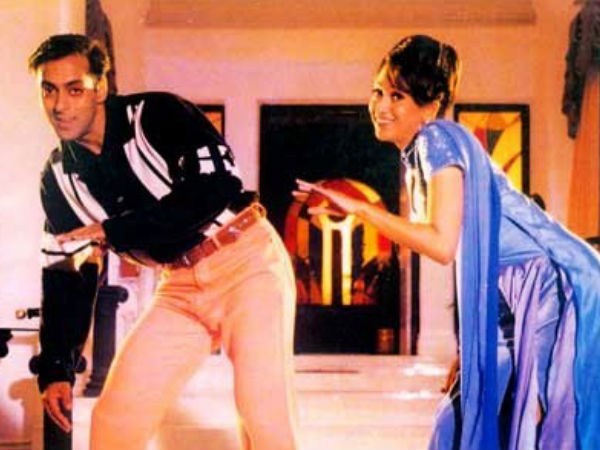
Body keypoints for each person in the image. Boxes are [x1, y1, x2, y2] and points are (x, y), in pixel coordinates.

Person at [296, 34, 600, 450]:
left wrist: (361, 209)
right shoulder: (426, 150)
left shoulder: (435, 139)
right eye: (378, 92)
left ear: (431, 102)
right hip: (512, 293)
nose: (381, 106)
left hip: (549, 288)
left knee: (539, 424)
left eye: (398, 96)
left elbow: (441, 243)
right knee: (461, 421)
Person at [29, 33, 297, 450]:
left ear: (100, 87)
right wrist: (56, 369)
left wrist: (114, 230)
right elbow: (67, 275)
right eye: (49, 90)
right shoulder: (58, 178)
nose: (59, 105)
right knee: (115, 417)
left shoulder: (157, 114)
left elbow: (216, 189)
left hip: (246, 262)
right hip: (179, 286)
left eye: (74, 89)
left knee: (262, 413)